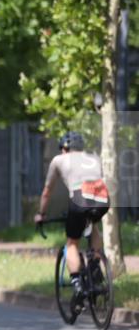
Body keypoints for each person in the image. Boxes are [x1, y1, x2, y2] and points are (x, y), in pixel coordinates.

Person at [34, 131, 109, 307]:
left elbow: (47, 192)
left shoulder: (59, 160)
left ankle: (77, 284)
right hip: (103, 197)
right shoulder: (93, 157)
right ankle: (95, 266)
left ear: (64, 148)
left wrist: (41, 214)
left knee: (72, 243)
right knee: (93, 226)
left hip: (80, 197)